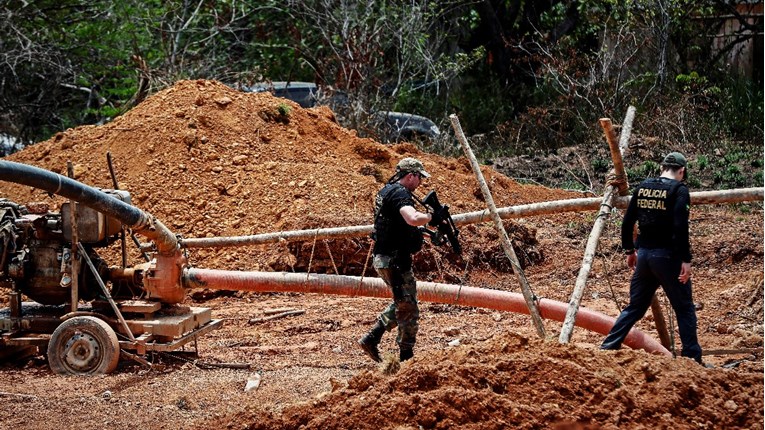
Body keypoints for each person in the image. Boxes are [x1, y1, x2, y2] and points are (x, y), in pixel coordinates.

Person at [601, 151, 703, 364]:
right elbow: (680, 227)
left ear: (661, 168)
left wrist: (630, 251)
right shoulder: (679, 190)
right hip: (668, 257)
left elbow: (627, 222)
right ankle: (693, 360)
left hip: (645, 256)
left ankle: (608, 347)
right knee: (684, 308)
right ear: (682, 171)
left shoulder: (643, 187)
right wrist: (686, 259)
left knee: (635, 307)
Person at [358, 157, 436, 363]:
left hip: (383, 258)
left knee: (403, 302)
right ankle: (406, 358)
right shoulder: (401, 195)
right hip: (395, 261)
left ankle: (372, 338)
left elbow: (396, 224)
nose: (420, 183)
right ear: (411, 176)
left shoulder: (386, 191)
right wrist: (430, 217)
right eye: (419, 178)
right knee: (408, 308)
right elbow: (411, 218)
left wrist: (424, 232)